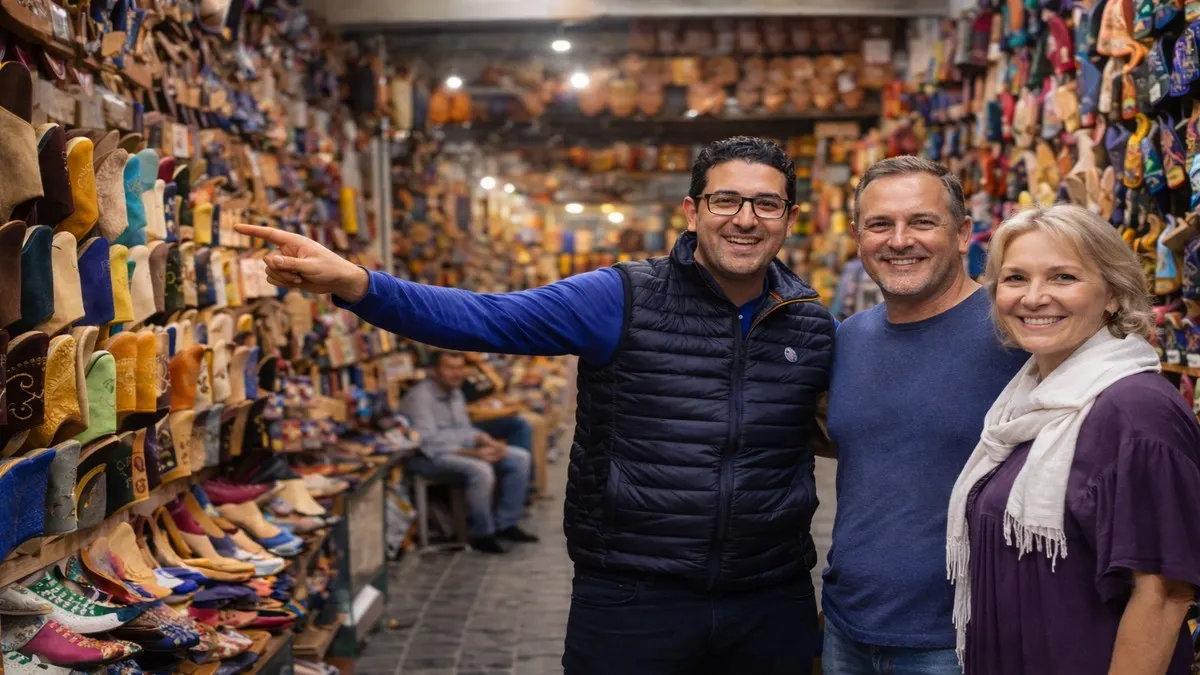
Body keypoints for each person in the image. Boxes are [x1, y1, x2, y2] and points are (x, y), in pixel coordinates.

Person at [236, 135, 836, 675]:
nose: (745, 219)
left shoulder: (810, 325)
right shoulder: (623, 298)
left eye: (767, 204)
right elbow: (488, 317)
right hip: (634, 597)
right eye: (726, 200)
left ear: (789, 218)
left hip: (769, 597)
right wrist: (359, 284)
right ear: (692, 210)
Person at [946, 203, 1200, 674]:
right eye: (1016, 278)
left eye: (1063, 277)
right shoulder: (1025, 404)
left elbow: (1164, 596)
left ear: (1113, 294)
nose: (1034, 297)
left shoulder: (1136, 411)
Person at [821, 156, 1029, 673]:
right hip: (847, 627)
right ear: (858, 237)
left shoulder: (1017, 335)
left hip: (961, 638)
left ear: (962, 234)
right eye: (879, 224)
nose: (899, 240)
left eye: (921, 221)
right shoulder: (850, 339)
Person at [400, 350, 537, 554]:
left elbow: (464, 429)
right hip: (428, 457)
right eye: (450, 368)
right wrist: (474, 454)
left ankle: (506, 523)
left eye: (460, 368)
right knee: (480, 470)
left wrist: (486, 441)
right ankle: (482, 533)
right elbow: (428, 443)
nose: (456, 374)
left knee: (519, 458)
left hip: (459, 451)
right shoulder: (420, 398)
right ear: (435, 371)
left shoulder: (455, 393)